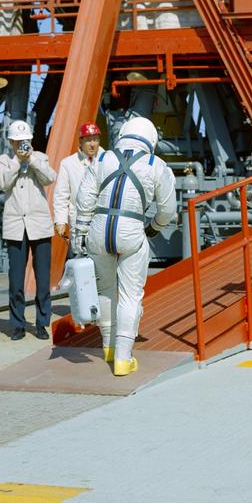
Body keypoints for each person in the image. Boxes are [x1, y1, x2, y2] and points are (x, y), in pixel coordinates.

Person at [74, 116, 176, 376]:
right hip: (131, 230)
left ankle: (107, 347)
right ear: (151, 140)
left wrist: (81, 231)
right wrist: (153, 228)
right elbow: (168, 210)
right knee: (131, 295)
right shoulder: (156, 164)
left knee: (106, 290)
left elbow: (85, 197)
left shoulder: (104, 158)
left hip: (98, 230)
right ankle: (122, 358)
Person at [0, 119, 56, 341]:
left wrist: (30, 159)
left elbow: (50, 178)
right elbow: (2, 183)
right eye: (18, 142)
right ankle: (18, 324)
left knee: (42, 279)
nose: (22, 145)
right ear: (10, 142)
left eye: (25, 141)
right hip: (16, 227)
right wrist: (16, 163)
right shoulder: (3, 160)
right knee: (16, 280)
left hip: (39, 225)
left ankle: (42, 322)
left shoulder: (40, 158)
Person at [53, 121, 101, 241]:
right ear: (81, 141)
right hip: (78, 222)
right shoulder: (68, 164)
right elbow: (61, 196)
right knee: (79, 256)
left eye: (95, 140)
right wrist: (60, 221)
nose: (92, 144)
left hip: (102, 221)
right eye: (88, 140)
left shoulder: (108, 161)